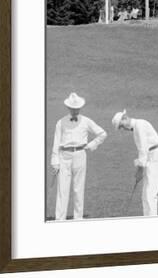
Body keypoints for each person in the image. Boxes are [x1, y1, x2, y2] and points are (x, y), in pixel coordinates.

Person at [50, 92, 107, 220]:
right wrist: (55, 161)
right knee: (62, 189)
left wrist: (91, 145)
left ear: (80, 108)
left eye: (77, 109)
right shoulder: (61, 122)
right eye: (73, 109)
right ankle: (59, 220)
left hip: (80, 156)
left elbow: (102, 133)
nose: (75, 111)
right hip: (64, 156)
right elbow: (56, 142)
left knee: (78, 189)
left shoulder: (86, 121)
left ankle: (78, 219)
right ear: (68, 108)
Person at [112, 110, 158, 216]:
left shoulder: (139, 125)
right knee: (145, 194)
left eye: (121, 126)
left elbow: (143, 150)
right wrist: (140, 169)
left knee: (150, 193)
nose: (123, 129)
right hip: (151, 156)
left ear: (125, 118)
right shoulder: (136, 127)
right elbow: (143, 152)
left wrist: (140, 170)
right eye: (120, 128)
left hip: (155, 156)